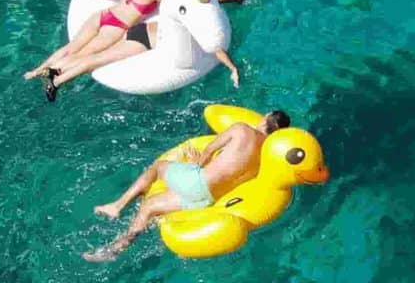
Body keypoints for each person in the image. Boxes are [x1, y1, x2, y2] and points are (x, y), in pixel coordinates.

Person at [84, 109, 291, 261]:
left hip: (197, 182)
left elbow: (208, 151)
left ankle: (117, 206)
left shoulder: (241, 130)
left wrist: (195, 164)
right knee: (149, 207)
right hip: (207, 199)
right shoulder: (265, 160)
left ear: (265, 117)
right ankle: (116, 249)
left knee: (158, 168)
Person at [25, 0, 171, 101]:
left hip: (104, 15)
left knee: (71, 47)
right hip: (116, 27)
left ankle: (37, 71)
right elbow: (171, 6)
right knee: (83, 54)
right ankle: (54, 72)